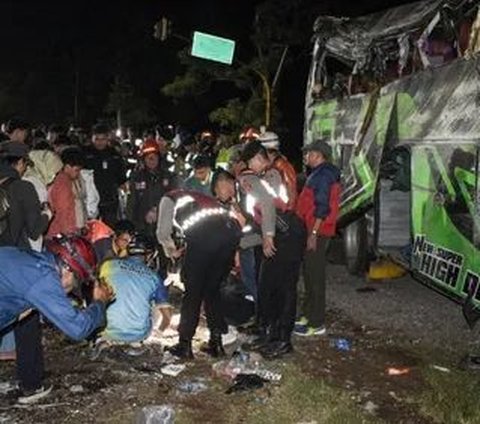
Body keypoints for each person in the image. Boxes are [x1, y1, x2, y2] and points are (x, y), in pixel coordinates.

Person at [0, 235, 113, 404]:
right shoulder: (44, 279)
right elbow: (78, 329)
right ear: (68, 270)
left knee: (26, 318)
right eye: (75, 282)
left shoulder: (34, 260)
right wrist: (100, 303)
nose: (69, 291)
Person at [156, 183, 242, 359]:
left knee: (193, 292)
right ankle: (216, 343)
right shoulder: (199, 198)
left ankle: (184, 344)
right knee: (212, 291)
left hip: (206, 238)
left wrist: (171, 251)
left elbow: (163, 233)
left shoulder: (168, 199)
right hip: (230, 236)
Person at [239, 140, 306, 359]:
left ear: (257, 159)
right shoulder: (270, 174)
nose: (251, 167)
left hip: (286, 233)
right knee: (271, 287)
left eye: (251, 162)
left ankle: (282, 340)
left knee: (284, 289)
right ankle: (271, 334)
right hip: (283, 232)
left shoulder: (263, 176)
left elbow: (267, 204)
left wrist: (267, 237)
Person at [294, 139, 341, 336]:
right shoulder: (321, 173)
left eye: (309, 153)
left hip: (318, 232)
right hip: (314, 230)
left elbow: (323, 208)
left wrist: (313, 233)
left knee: (315, 277)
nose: (306, 157)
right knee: (310, 274)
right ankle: (307, 313)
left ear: (318, 155)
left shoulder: (323, 176)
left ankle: (317, 322)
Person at [98, 238, 171, 343]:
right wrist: (160, 331)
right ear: (148, 255)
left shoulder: (108, 265)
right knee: (159, 303)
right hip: (138, 335)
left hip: (106, 331)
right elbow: (167, 317)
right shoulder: (154, 277)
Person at [127, 138, 178, 239]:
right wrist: (132, 226)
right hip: (142, 228)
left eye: (154, 157)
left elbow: (174, 199)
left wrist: (157, 211)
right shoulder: (136, 177)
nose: (151, 160)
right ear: (143, 159)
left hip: (165, 227)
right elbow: (131, 203)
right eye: (148, 158)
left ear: (159, 158)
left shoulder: (169, 177)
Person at [84, 124, 126, 226]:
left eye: (103, 139)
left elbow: (121, 177)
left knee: (109, 229)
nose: (100, 142)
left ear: (108, 139)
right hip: (90, 200)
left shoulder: (114, 155)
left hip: (109, 199)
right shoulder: (85, 154)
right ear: (92, 139)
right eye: (97, 139)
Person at [23, 149, 63, 250]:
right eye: (54, 171)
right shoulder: (38, 186)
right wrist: (48, 214)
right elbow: (36, 222)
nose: (54, 176)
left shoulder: (23, 180)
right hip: (31, 242)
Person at [47, 147, 87, 237]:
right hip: (61, 233)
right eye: (77, 170)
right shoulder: (63, 183)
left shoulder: (62, 180)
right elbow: (64, 211)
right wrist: (69, 233)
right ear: (67, 166)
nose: (78, 174)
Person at [258, 130, 298, 210]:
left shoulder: (283, 167)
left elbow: (291, 191)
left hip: (281, 212)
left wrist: (288, 211)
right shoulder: (269, 166)